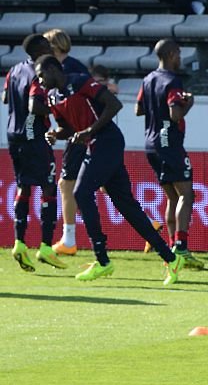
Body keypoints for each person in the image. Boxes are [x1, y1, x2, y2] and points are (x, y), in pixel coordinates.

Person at [34, 54, 185, 285]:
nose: (40, 81)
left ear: (54, 69)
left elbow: (114, 105)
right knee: (127, 206)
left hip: (108, 142)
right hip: (94, 147)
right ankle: (170, 257)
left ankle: (102, 260)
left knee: (81, 193)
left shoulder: (81, 81)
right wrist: (56, 133)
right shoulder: (53, 97)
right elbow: (67, 127)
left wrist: (90, 130)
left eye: (41, 75)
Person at [136, 39, 204, 270]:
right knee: (186, 195)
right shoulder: (172, 81)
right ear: (172, 54)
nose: (180, 57)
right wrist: (189, 103)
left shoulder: (148, 80)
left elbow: (139, 109)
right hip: (169, 143)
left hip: (151, 144)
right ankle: (181, 247)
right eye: (179, 53)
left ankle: (173, 248)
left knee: (172, 197)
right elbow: (175, 115)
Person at [2, 34, 64, 274]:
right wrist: (55, 107)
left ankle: (19, 243)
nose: (51, 48)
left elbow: (6, 96)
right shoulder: (39, 73)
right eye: (47, 45)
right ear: (40, 49)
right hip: (33, 135)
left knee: (23, 186)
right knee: (48, 187)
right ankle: (46, 246)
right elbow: (35, 105)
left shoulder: (14, 70)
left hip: (13, 133)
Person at [44, 28, 91, 257]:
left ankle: (69, 239)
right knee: (105, 184)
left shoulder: (66, 70)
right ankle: (149, 222)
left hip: (80, 134)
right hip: (85, 133)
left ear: (54, 47)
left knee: (66, 184)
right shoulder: (75, 66)